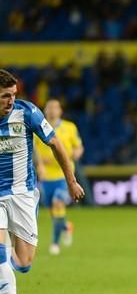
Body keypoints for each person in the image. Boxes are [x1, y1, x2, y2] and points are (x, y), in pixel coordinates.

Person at [0, 69, 85, 294]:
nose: (10, 100)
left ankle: (9, 252)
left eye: (13, 95)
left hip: (23, 195)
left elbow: (56, 145)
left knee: (23, 263)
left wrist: (72, 181)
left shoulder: (27, 113)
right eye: (4, 96)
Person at [34, 99, 84, 255]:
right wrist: (40, 165)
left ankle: (55, 244)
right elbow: (34, 149)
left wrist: (76, 153)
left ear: (60, 111)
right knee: (54, 212)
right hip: (46, 177)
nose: (52, 110)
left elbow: (78, 146)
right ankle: (65, 227)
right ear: (45, 110)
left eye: (55, 107)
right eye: (49, 107)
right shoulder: (39, 127)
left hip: (64, 176)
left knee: (58, 203)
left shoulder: (70, 127)